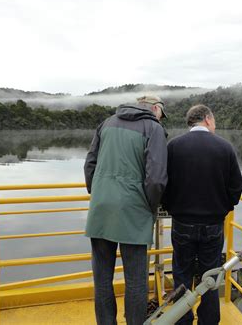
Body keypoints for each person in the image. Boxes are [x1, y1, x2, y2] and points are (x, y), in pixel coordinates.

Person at [84, 95, 168, 325]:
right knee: (136, 282)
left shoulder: (107, 123)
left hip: (101, 209)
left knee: (101, 280)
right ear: (154, 108)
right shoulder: (154, 127)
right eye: (161, 112)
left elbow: (90, 164)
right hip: (135, 211)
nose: (161, 117)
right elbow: (157, 179)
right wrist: (150, 208)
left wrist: (99, 193)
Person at [163, 104, 242, 325]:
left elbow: (163, 185)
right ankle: (208, 321)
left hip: (182, 223)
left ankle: (182, 320)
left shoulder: (174, 147)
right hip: (213, 224)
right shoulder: (224, 147)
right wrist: (223, 207)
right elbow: (236, 187)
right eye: (214, 121)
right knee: (211, 276)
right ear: (207, 119)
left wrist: (172, 207)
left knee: (181, 273)